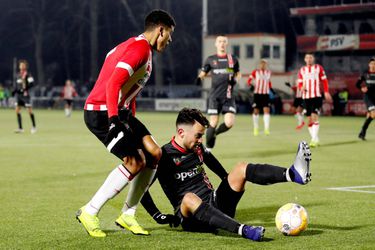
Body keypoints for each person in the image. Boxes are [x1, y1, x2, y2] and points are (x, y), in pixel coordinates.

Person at [140, 108, 312, 242]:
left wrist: (228, 180)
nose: (200, 140)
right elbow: (141, 189)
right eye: (198, 135)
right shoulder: (163, 156)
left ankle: (293, 174)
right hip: (189, 216)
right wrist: (157, 215)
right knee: (189, 198)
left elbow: (212, 163)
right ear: (181, 132)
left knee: (240, 168)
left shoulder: (197, 147)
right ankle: (244, 230)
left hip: (215, 203)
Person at [75, 9, 175, 238]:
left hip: (119, 112)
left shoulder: (139, 47)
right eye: (169, 34)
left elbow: (128, 90)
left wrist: (128, 116)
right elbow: (112, 84)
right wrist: (113, 120)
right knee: (135, 161)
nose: (170, 40)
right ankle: (89, 211)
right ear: (160, 29)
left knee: (155, 153)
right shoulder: (139, 49)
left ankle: (127, 215)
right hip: (100, 113)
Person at [195, 35, 240, 150]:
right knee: (213, 122)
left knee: (229, 123)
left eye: (224, 41)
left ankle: (215, 133)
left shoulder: (233, 59)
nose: (222, 43)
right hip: (215, 97)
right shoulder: (211, 59)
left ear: (227, 44)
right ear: (216, 44)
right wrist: (200, 78)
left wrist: (237, 79)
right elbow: (204, 72)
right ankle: (208, 149)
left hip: (228, 97)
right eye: (219, 41)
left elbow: (238, 73)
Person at [297, 52, 332, 147]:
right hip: (306, 97)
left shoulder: (318, 68)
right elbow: (300, 83)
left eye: (310, 57)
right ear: (305, 59)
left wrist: (326, 91)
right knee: (309, 119)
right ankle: (316, 138)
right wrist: (301, 87)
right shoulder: (302, 70)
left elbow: (324, 80)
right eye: (307, 57)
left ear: (313, 59)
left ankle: (313, 140)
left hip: (316, 96)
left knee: (314, 116)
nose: (309, 59)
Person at [247, 59, 275, 136]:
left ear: (266, 65)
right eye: (261, 63)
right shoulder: (255, 72)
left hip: (265, 94)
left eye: (264, 64)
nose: (263, 65)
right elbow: (249, 80)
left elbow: (269, 82)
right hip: (257, 94)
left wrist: (271, 90)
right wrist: (251, 85)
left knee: (267, 110)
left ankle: (266, 129)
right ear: (259, 64)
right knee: (256, 111)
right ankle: (256, 128)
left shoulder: (268, 73)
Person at [13, 60, 37, 134]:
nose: (21, 66)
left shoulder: (28, 74)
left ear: (25, 66)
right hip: (19, 96)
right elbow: (17, 85)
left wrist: (25, 88)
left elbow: (32, 84)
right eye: (20, 65)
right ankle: (20, 128)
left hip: (25, 96)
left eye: (23, 65)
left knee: (29, 111)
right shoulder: (17, 75)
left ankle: (34, 127)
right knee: (17, 110)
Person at [357, 57, 375, 140]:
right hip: (368, 97)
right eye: (371, 63)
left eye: (374, 64)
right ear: (369, 64)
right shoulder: (365, 73)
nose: (373, 65)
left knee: (370, 116)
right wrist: (362, 88)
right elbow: (357, 84)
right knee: (373, 114)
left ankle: (362, 133)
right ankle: (363, 131)